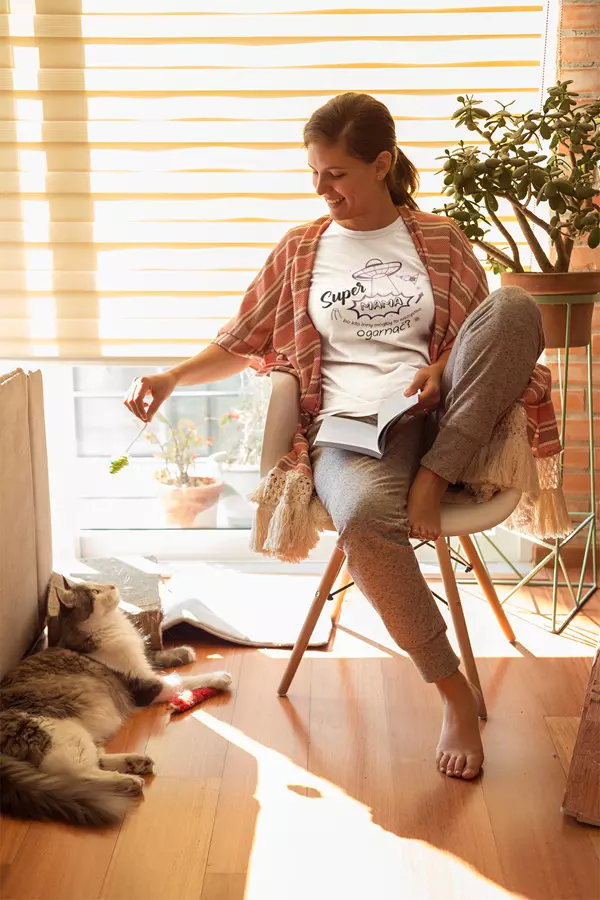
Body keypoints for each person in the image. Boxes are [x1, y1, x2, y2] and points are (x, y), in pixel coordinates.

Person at [125, 92, 563, 781]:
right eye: (313, 173)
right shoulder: (301, 249)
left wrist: (440, 367)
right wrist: (172, 377)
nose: (321, 188)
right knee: (361, 517)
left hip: (446, 417)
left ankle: (433, 477)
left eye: (336, 173)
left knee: (515, 307)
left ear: (382, 165)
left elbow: (486, 340)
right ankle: (452, 690)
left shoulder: (440, 239)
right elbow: (242, 339)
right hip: (354, 428)